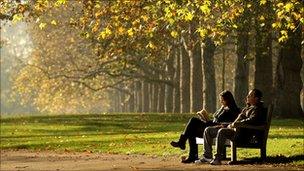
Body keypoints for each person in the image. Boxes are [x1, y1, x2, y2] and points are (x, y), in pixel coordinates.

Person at [196, 89, 265, 165]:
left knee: (222, 131)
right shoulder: (247, 108)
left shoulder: (258, 109)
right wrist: (226, 125)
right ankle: (207, 156)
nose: (247, 97)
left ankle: (217, 158)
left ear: (256, 98)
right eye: (248, 95)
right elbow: (235, 122)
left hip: (243, 135)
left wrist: (236, 124)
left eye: (250, 95)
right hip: (235, 130)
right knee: (208, 130)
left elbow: (252, 120)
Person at [170, 90, 240, 163]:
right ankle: (191, 155)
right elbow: (215, 119)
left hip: (216, 128)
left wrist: (218, 123)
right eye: (220, 100)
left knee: (193, 121)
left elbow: (231, 123)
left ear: (227, 100)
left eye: (222, 100)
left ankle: (183, 144)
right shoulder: (223, 108)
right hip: (212, 125)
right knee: (192, 129)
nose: (221, 102)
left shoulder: (233, 110)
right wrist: (206, 119)